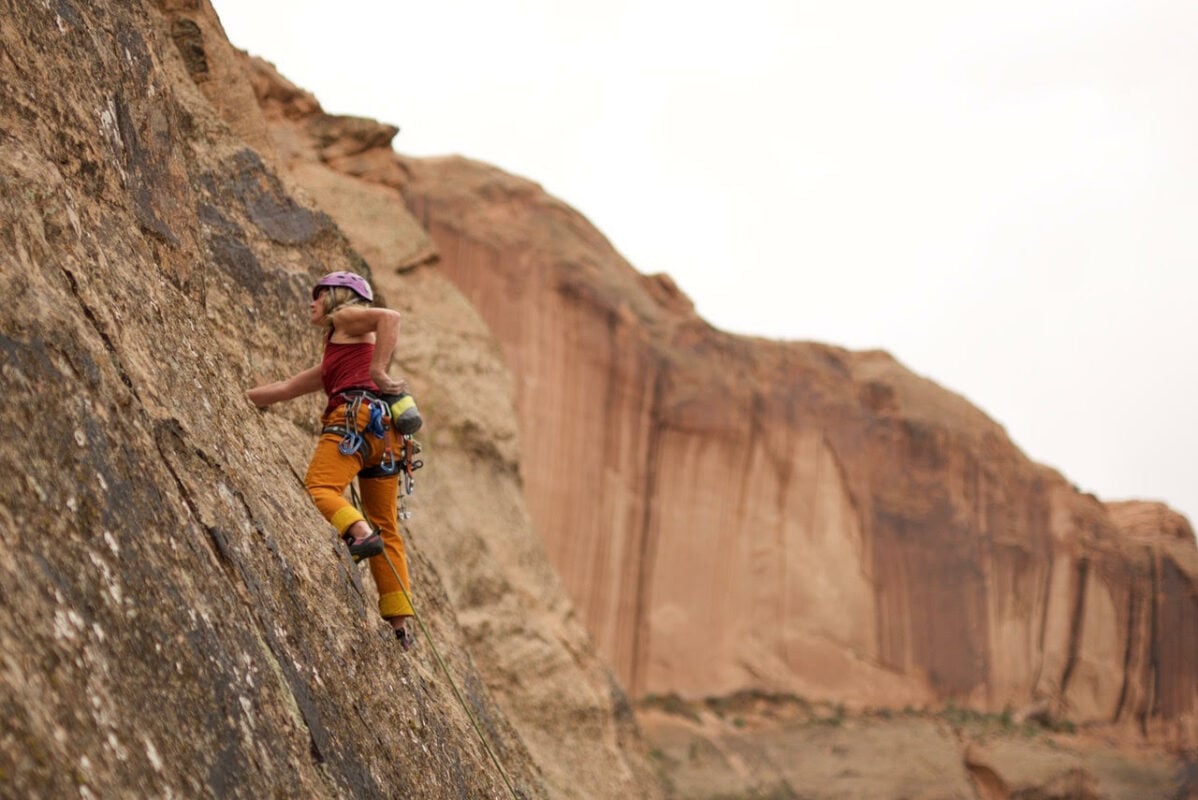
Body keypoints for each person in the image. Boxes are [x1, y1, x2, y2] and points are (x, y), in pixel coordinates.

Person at [248, 271, 415, 648]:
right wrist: (238, 395)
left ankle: (359, 534)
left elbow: (390, 317)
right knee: (387, 527)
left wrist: (377, 370)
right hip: (386, 436)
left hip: (354, 420)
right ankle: (400, 625)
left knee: (321, 487)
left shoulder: (345, 318)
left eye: (318, 295)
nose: (311, 302)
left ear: (338, 296)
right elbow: (286, 388)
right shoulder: (337, 357)